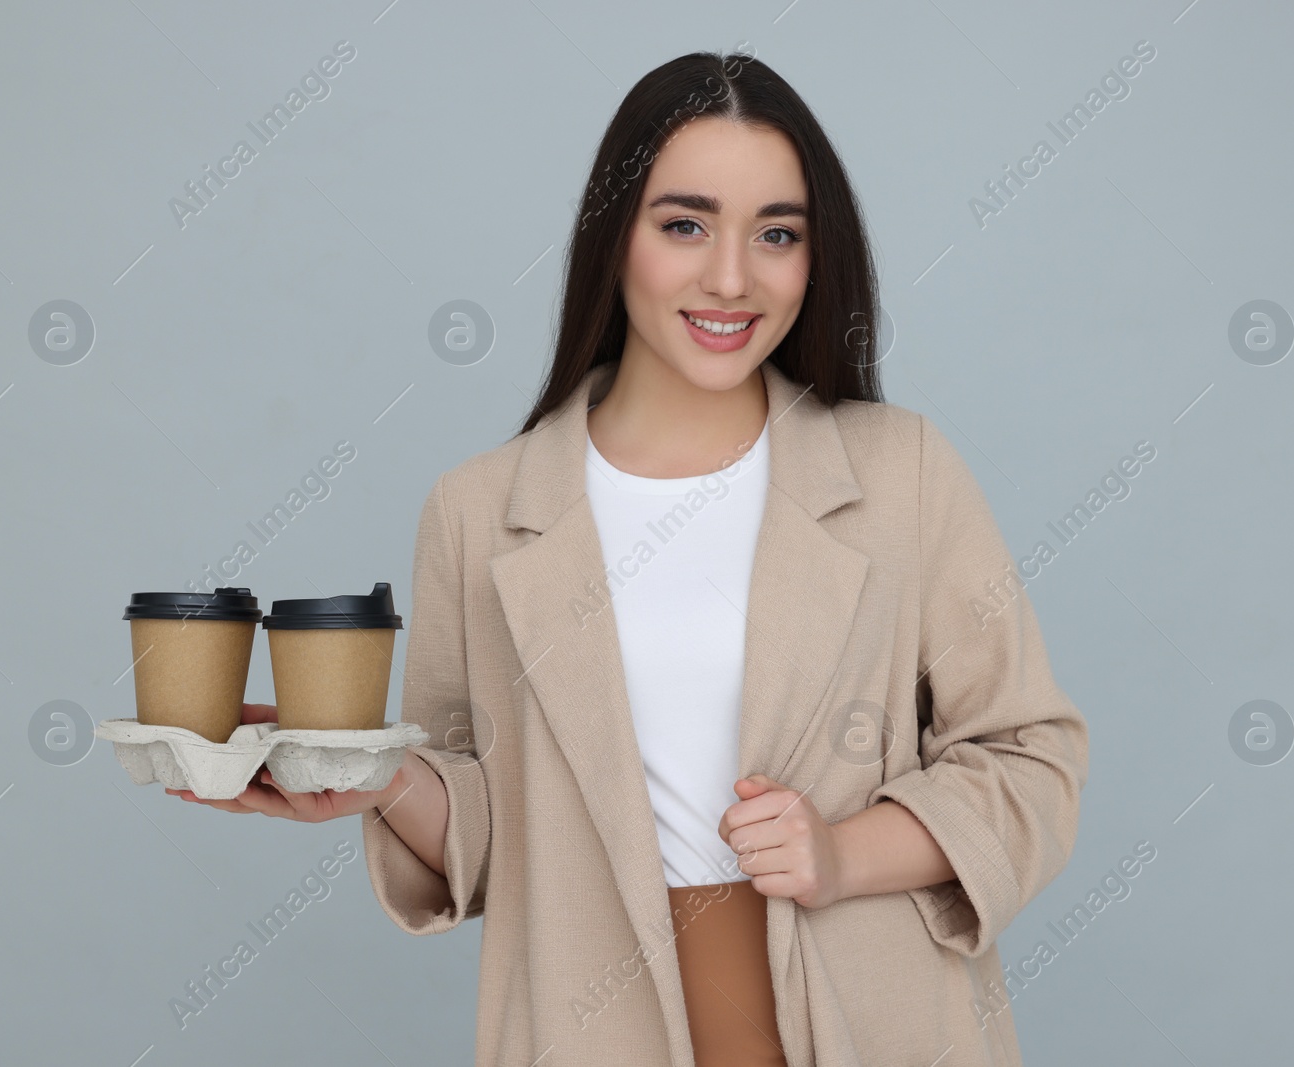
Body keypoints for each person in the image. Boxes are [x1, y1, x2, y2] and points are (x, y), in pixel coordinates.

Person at [168, 50, 1088, 1067]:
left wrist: (839, 853)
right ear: (617, 238)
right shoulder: (480, 512)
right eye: (684, 224)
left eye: (776, 233)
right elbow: (490, 829)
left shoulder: (902, 472)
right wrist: (376, 777)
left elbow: (1030, 760)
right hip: (591, 1020)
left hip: (876, 1018)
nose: (730, 275)